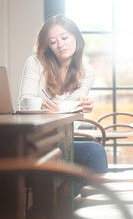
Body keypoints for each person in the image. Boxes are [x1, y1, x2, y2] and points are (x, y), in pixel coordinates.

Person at [19, 14, 108, 193]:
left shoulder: (87, 72)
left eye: (64, 38)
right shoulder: (35, 62)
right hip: (35, 142)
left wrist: (84, 105)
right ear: (48, 46)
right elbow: (23, 101)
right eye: (53, 42)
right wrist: (40, 104)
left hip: (63, 140)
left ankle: (70, 211)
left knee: (95, 151)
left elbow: (73, 112)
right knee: (91, 156)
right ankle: (58, 211)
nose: (60, 45)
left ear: (76, 37)